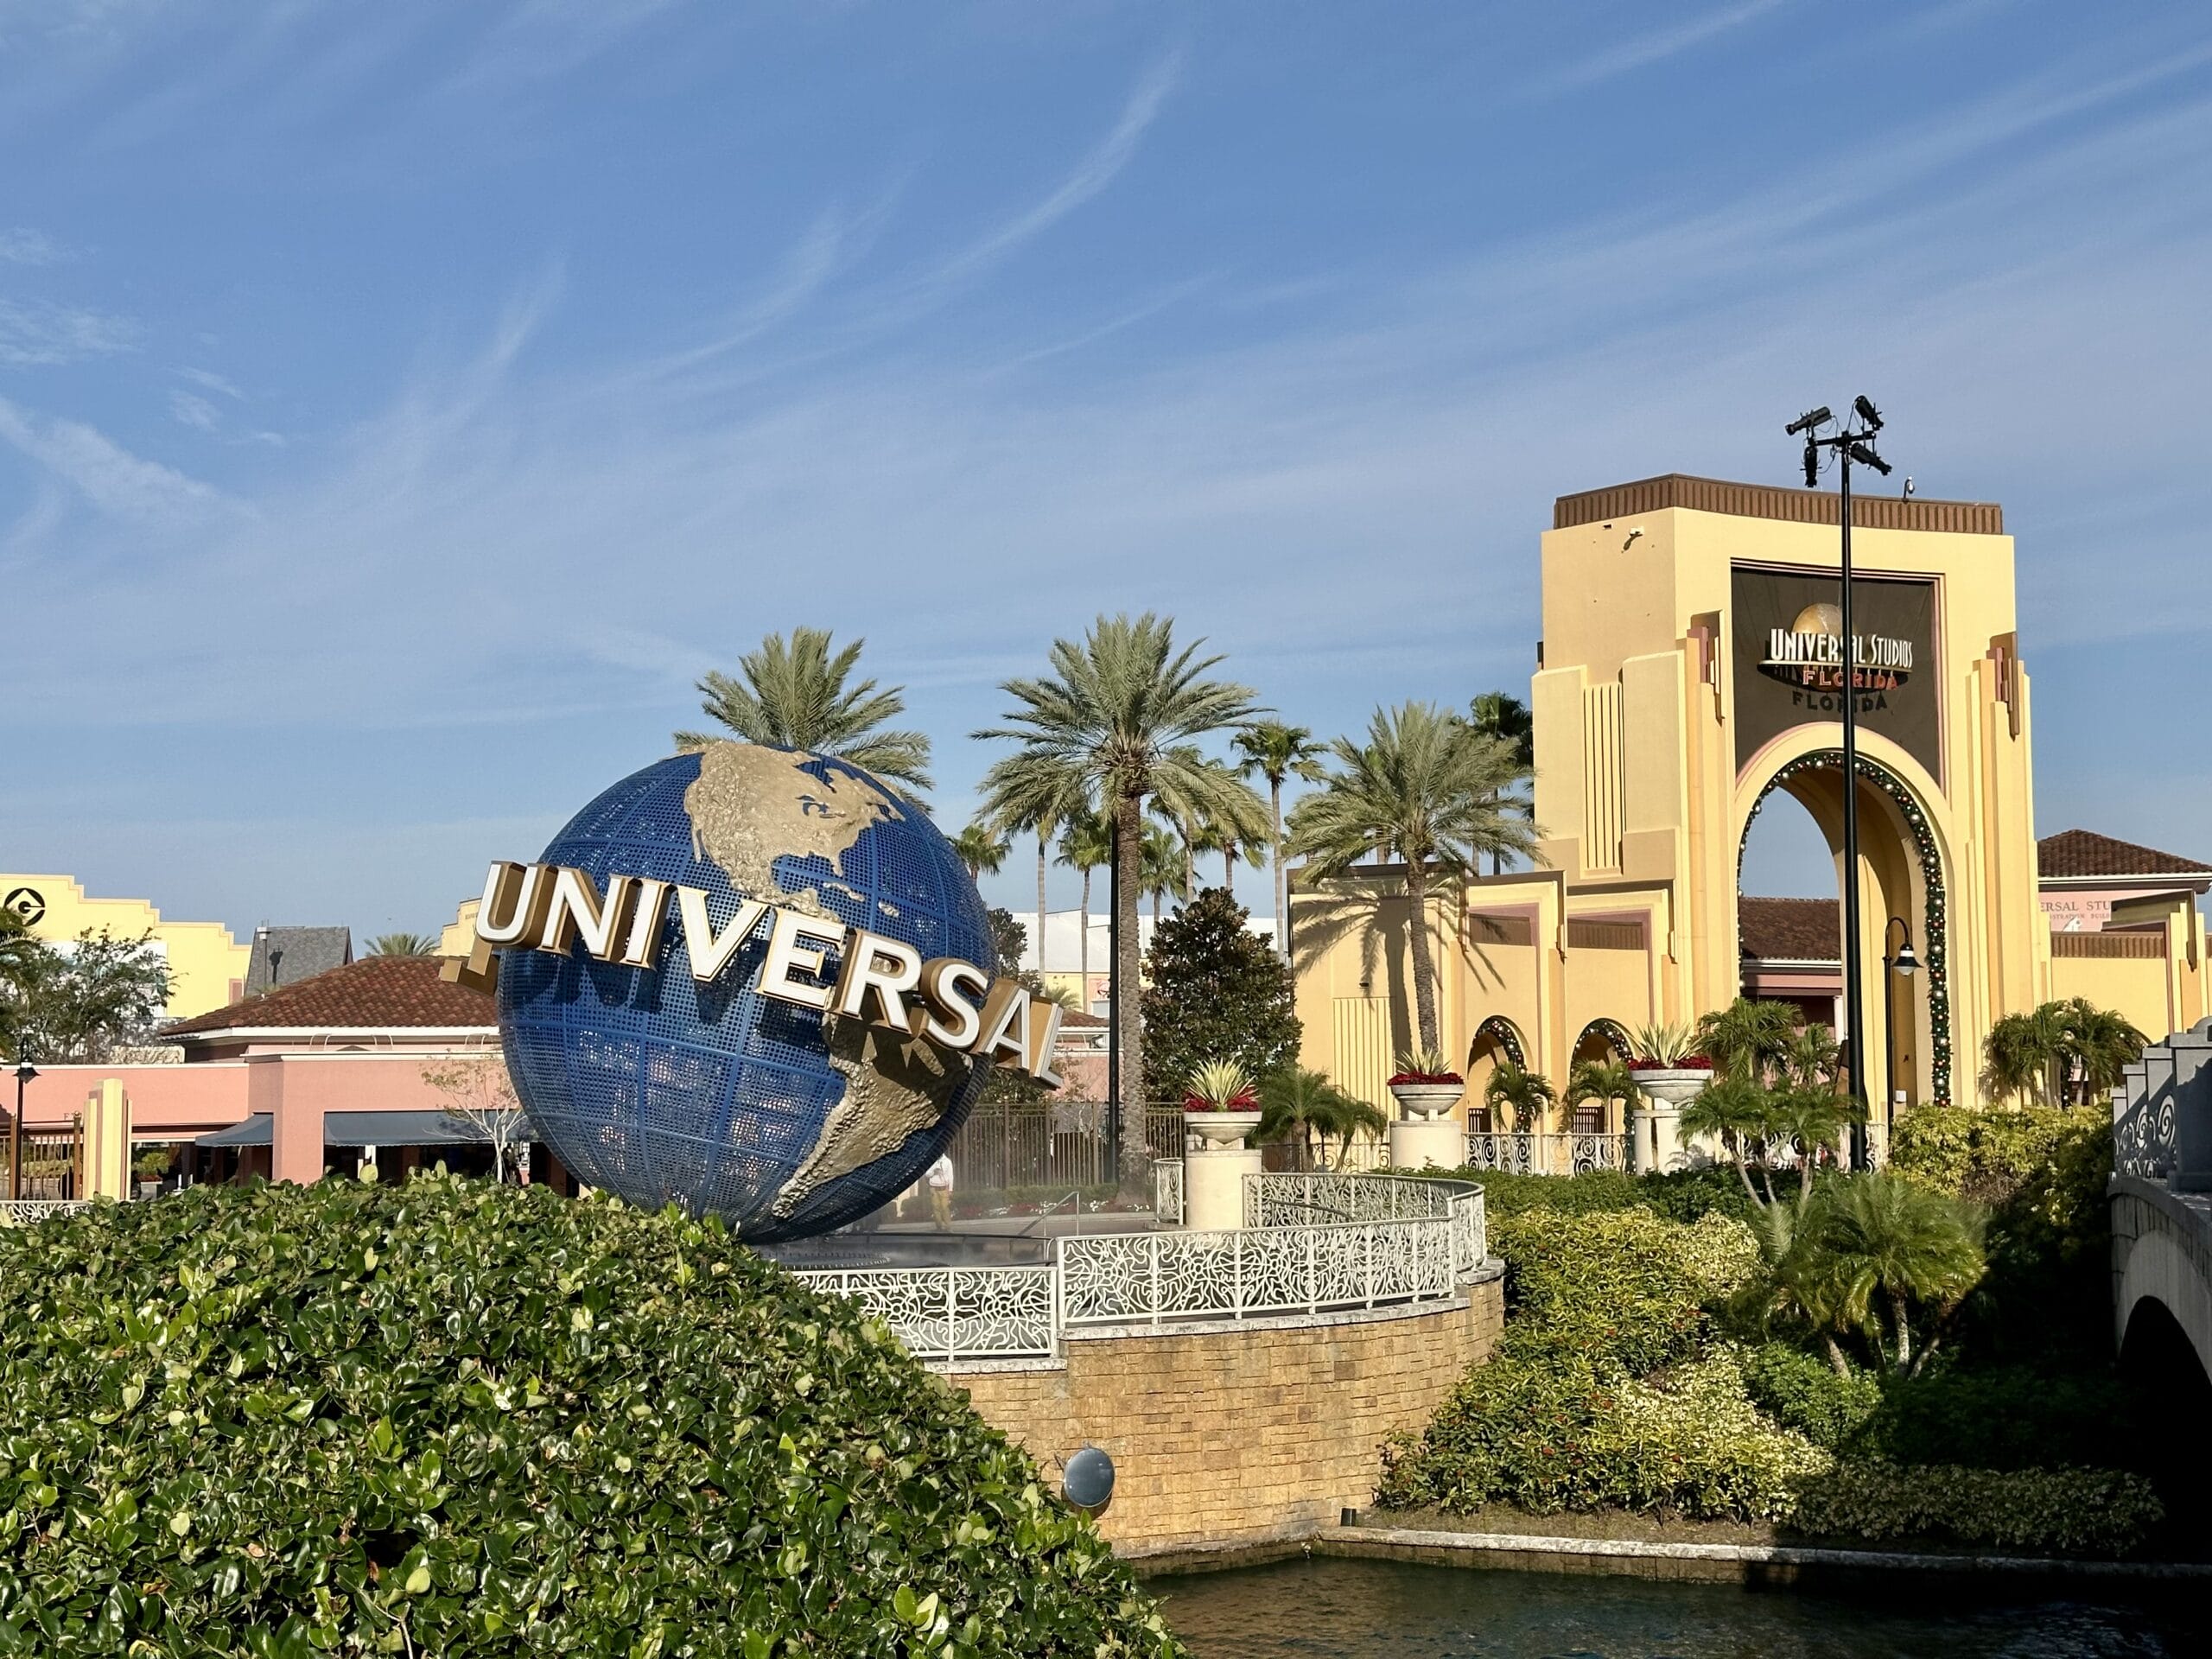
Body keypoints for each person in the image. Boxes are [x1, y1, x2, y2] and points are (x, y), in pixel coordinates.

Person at [926, 1151, 955, 1231]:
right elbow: (927, 1174)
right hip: (933, 1188)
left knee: (944, 1207)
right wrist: (934, 1172)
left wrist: (950, 1189)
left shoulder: (947, 1161)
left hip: (944, 1188)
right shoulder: (932, 1161)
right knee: (936, 1208)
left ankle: (948, 1227)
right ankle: (939, 1226)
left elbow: (951, 1176)